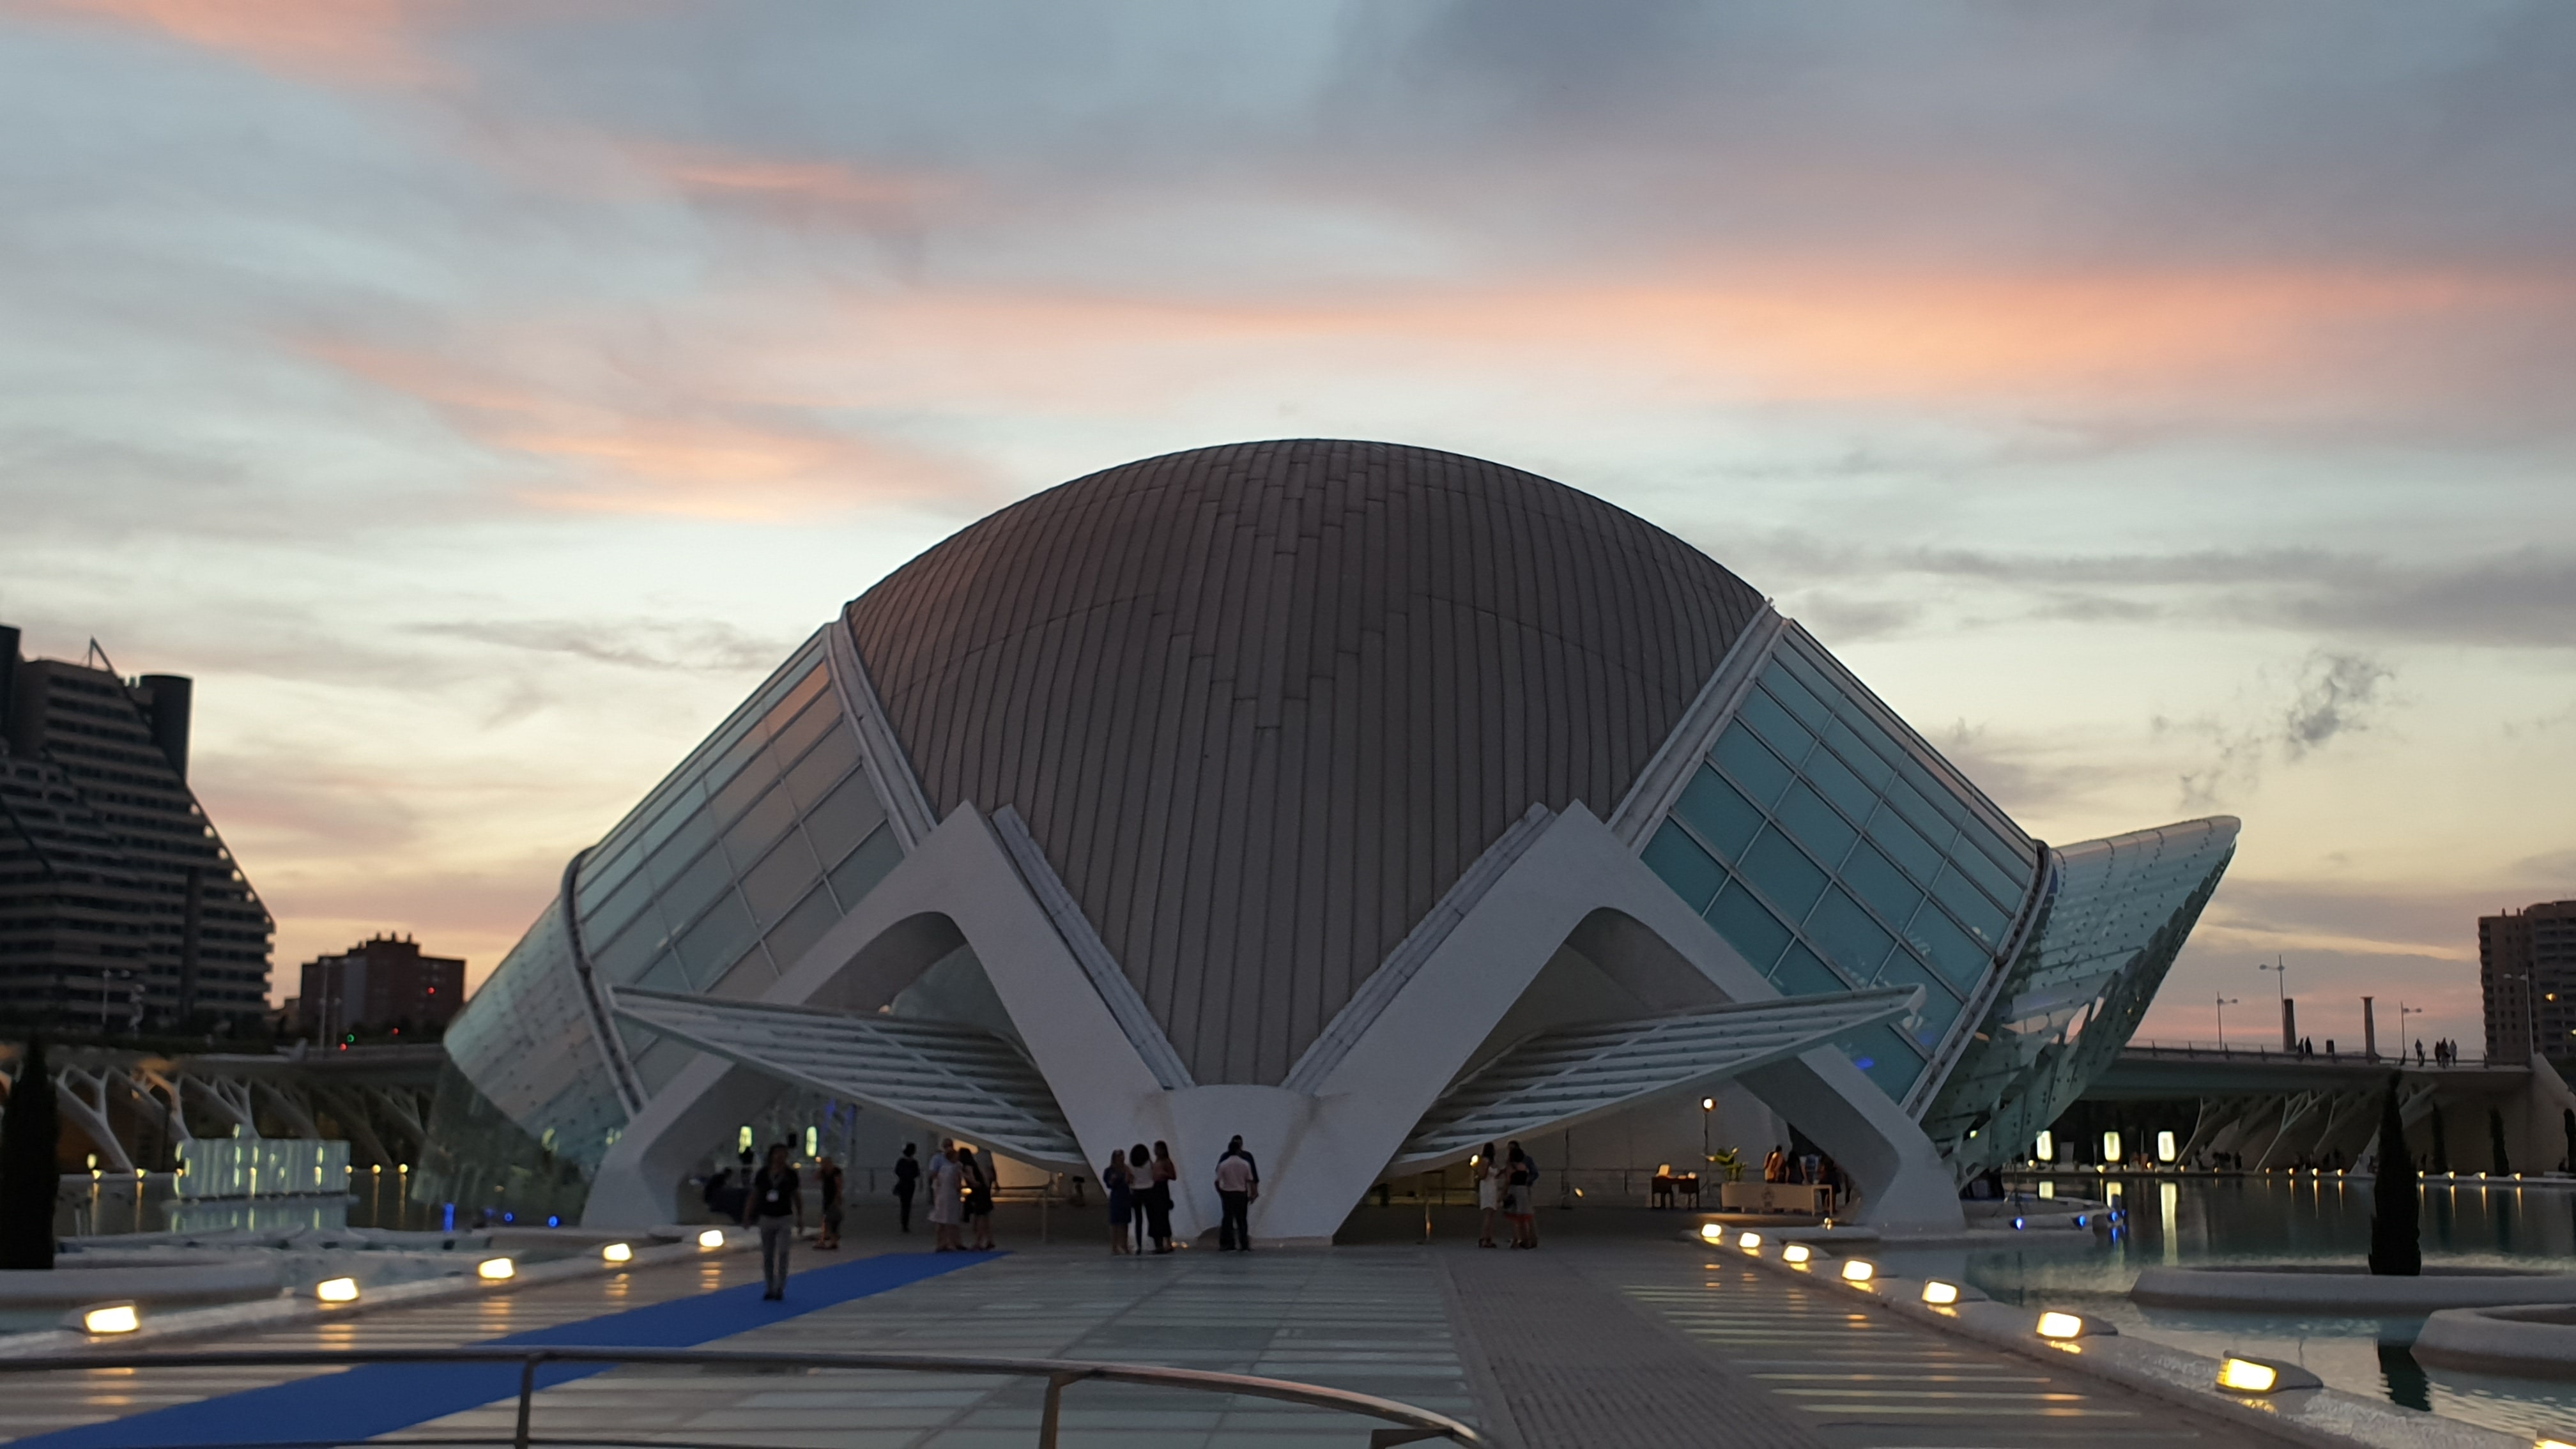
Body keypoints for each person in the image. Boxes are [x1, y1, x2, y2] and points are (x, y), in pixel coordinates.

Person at [742, 1142, 802, 1300]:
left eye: (783, 1153)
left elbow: (796, 1196)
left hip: (784, 1217)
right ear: (772, 1155)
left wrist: (800, 1216)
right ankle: (769, 1287)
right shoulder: (763, 1174)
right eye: (777, 1153)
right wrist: (748, 1215)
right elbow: (754, 1195)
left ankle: (780, 1287)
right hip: (766, 1217)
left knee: (783, 1252)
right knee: (768, 1255)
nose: (780, 1157)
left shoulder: (791, 1174)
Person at [1214, 1134, 1258, 1251]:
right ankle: (1244, 1244)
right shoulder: (1245, 1163)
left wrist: (1221, 1192)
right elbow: (1251, 1179)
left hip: (1228, 1193)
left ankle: (1227, 1244)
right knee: (1242, 1219)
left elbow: (1217, 1181)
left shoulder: (1224, 1163)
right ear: (1239, 1149)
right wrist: (1253, 1193)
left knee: (1227, 1219)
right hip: (1241, 1193)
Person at [928, 1139, 964, 1252]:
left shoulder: (943, 1168)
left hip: (941, 1195)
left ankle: (941, 1243)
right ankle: (952, 1242)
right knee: (951, 1220)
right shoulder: (956, 1167)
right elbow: (957, 1184)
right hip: (951, 1196)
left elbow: (934, 1177)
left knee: (941, 1220)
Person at [959, 1144, 996, 1251]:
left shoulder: (967, 1166)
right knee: (985, 1217)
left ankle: (980, 1242)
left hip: (979, 1193)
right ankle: (989, 1240)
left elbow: (973, 1180)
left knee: (979, 1218)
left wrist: (962, 1174)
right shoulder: (975, 1164)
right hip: (983, 1191)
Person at [1504, 1140, 1538, 1249]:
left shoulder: (1510, 1166)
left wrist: (1503, 1193)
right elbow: (1533, 1174)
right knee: (1526, 1216)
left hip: (1514, 1190)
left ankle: (1516, 1240)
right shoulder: (1524, 1166)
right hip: (1524, 1190)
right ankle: (1529, 1240)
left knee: (1515, 1217)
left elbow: (1508, 1181)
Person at [1147, 1141, 1179, 1254]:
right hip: (1154, 1188)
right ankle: (1159, 1244)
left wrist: (1163, 1174)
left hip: (1162, 1188)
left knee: (1163, 1216)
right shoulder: (1155, 1162)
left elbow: (1173, 1176)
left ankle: (1167, 1243)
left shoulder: (1166, 1162)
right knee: (1155, 1217)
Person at [1103, 1150, 1135, 1254]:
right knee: (1115, 1222)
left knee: (1125, 1222)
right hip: (1116, 1196)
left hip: (1125, 1196)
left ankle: (1124, 1244)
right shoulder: (1110, 1171)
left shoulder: (1126, 1169)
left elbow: (1130, 1182)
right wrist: (1112, 1180)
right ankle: (1114, 1246)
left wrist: (1129, 1176)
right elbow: (1109, 1184)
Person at [1475, 1142, 1503, 1248]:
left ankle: (1488, 1236)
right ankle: (1484, 1238)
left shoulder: (1492, 1162)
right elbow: (1482, 1175)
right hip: (1487, 1186)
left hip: (1492, 1186)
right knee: (1489, 1212)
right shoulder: (1485, 1161)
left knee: (1491, 1214)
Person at [815, 1154, 845, 1251]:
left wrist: (838, 1197)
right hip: (826, 1197)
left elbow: (839, 1184)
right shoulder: (824, 1172)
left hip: (833, 1197)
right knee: (827, 1218)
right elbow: (817, 1178)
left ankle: (830, 1240)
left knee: (832, 1219)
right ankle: (827, 1239)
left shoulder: (836, 1171)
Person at [893, 1143, 920, 1234]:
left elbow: (897, 1171)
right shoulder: (914, 1162)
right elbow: (917, 1173)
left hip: (903, 1183)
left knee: (904, 1204)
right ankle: (905, 1223)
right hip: (910, 1184)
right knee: (908, 1204)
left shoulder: (901, 1162)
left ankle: (904, 1222)